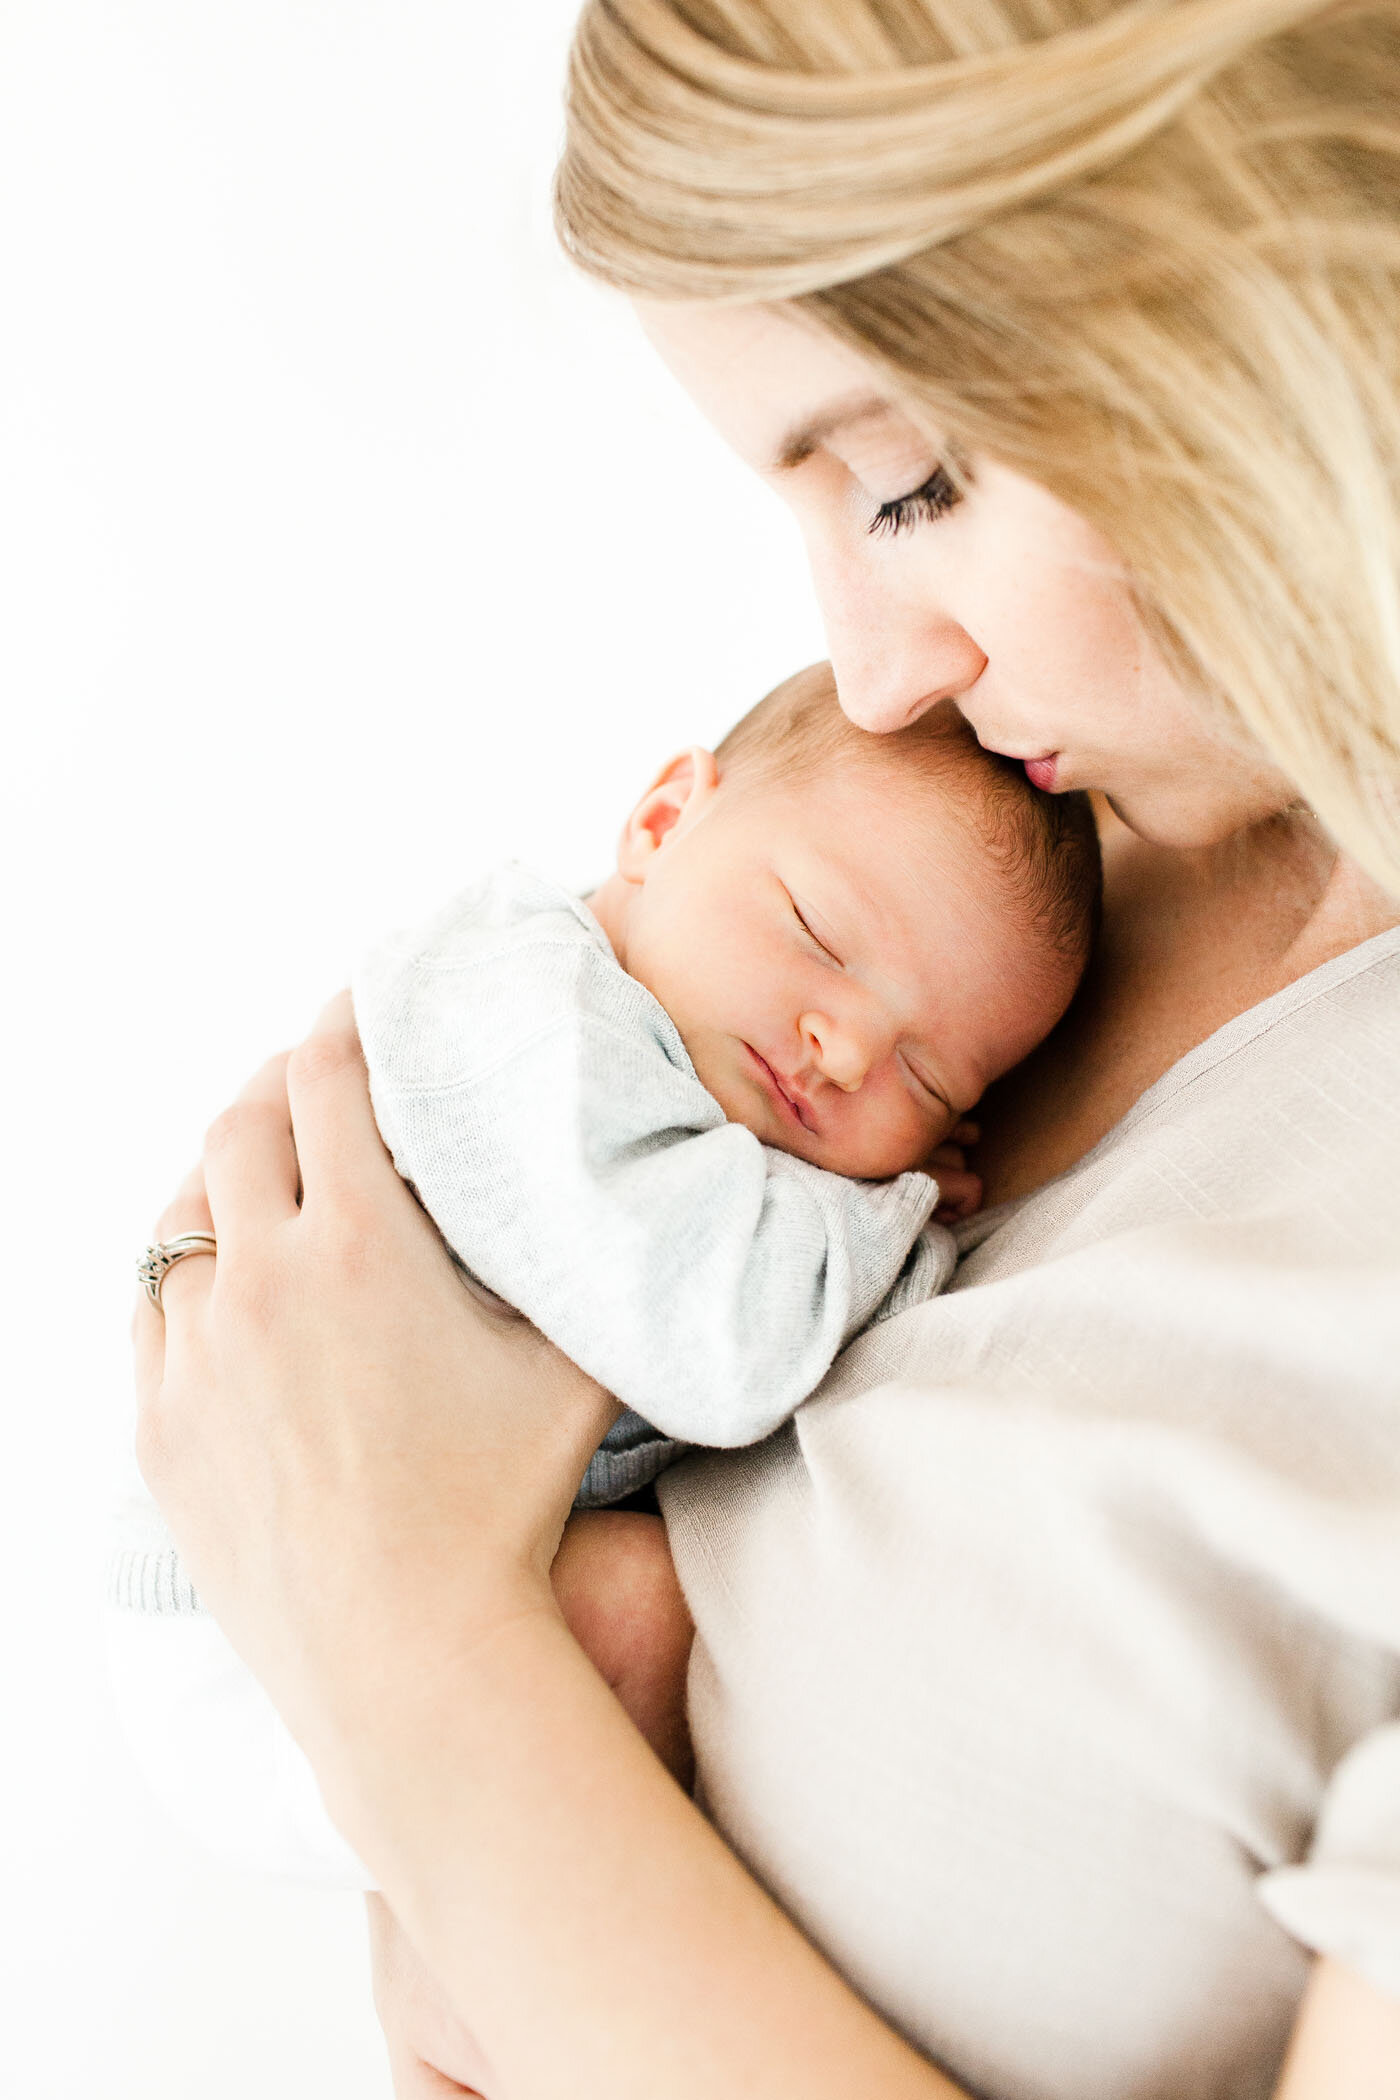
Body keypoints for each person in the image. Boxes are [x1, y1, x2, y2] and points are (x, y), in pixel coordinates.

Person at [131, 1, 1400, 2096]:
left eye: (909, 484)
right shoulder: (1012, 880)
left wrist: (409, 1659)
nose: (877, 673)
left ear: (1291, 279)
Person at [109, 662, 1097, 1882]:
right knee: (639, 1607)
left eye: (929, 1079)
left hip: (376, 1596)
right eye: (817, 935)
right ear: (663, 820)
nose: (843, 1047)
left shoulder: (690, 1112)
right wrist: (888, 1215)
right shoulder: (536, 1011)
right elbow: (722, 1352)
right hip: (246, 1628)